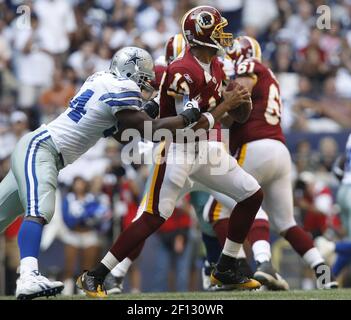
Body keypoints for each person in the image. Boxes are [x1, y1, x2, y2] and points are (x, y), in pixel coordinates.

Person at [0, 45, 243, 299]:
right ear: (132, 71)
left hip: (41, 148)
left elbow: (119, 132)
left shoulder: (101, 79)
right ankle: (27, 276)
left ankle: (28, 275)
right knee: (41, 209)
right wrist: (188, 116)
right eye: (144, 77)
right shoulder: (123, 88)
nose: (146, 84)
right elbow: (149, 130)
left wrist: (150, 113)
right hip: (43, 149)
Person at [77, 6, 262, 298]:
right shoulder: (182, 71)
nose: (223, 35)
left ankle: (226, 265)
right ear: (200, 34)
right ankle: (95, 276)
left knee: (252, 194)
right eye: (217, 29)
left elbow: (231, 118)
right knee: (152, 217)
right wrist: (226, 105)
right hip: (177, 149)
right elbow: (184, 126)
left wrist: (241, 101)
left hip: (204, 148)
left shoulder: (214, 65)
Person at [202, 36, 338, 289]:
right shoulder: (269, 75)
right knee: (286, 222)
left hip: (255, 146)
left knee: (219, 208)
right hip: (279, 150)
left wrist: (215, 107)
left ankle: (251, 267)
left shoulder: (248, 66)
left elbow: (239, 99)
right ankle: (325, 276)